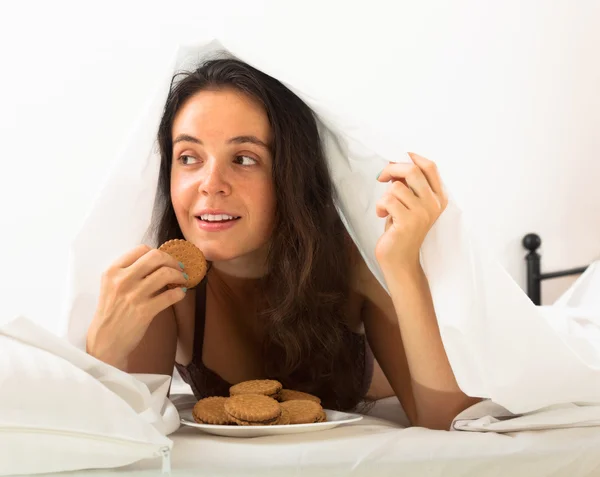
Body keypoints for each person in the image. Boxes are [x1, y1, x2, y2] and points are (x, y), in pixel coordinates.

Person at [85, 58, 480, 430]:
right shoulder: (164, 285)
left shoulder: (352, 262)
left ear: (291, 176)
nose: (210, 183)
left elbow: (446, 422)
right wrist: (103, 347)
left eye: (243, 158)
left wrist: (403, 265)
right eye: (189, 157)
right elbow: (123, 434)